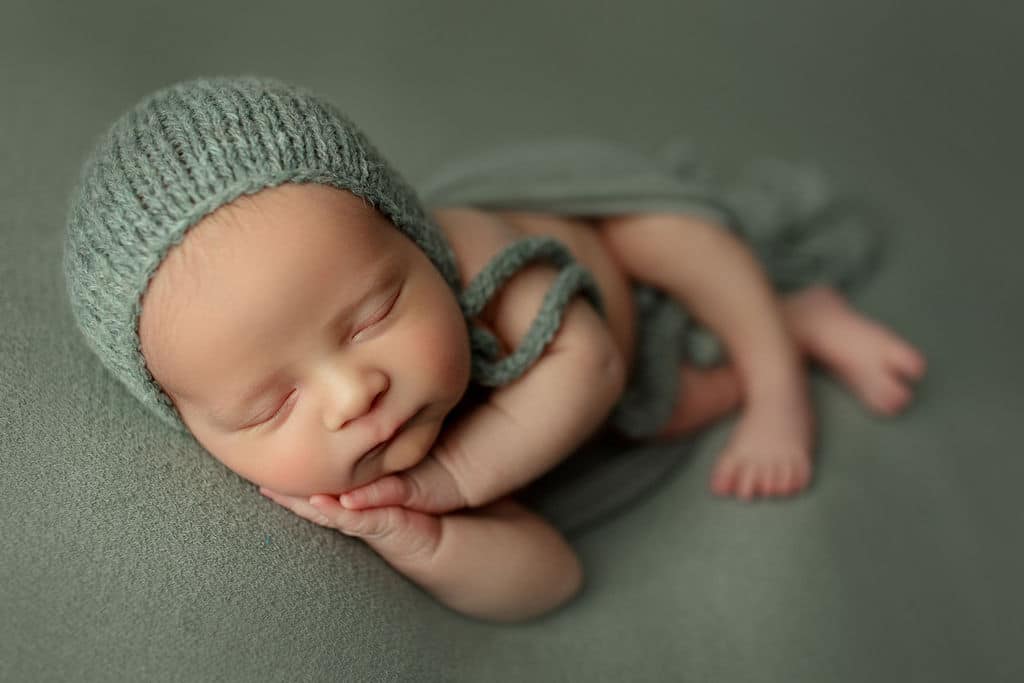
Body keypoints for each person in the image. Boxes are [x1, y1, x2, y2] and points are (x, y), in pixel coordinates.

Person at [64, 76, 926, 622]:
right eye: (270, 405)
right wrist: (424, 538)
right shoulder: (359, 482)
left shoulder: (475, 258)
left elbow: (590, 367)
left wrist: (455, 481)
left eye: (372, 315)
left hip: (611, 279)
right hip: (631, 398)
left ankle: (777, 378)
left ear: (413, 237)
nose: (353, 391)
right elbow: (549, 579)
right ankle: (798, 320)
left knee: (675, 236)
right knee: (674, 410)